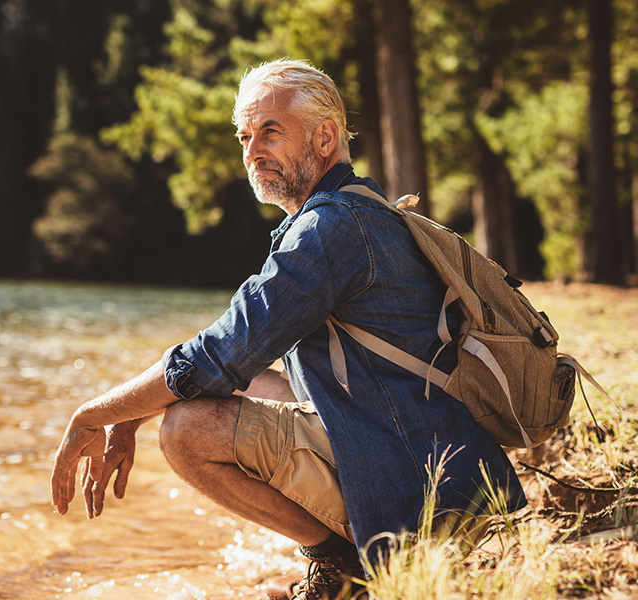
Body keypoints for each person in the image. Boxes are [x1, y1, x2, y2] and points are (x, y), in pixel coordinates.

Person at [50, 59, 525, 600]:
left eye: (270, 131)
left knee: (185, 430)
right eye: (246, 135)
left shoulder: (331, 229)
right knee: (229, 386)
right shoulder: (358, 210)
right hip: (448, 467)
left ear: (325, 138)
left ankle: (342, 564)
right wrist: (132, 410)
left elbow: (217, 353)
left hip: (418, 493)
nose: (252, 151)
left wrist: (93, 413)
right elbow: (228, 359)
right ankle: (345, 551)